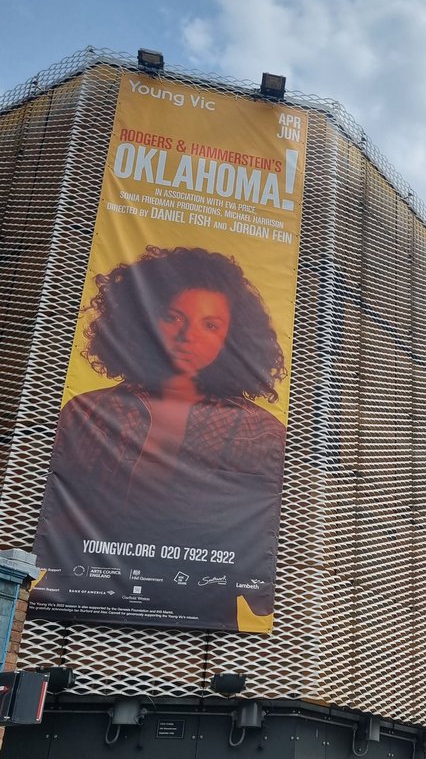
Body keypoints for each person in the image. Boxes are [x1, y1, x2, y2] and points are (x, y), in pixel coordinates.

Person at [32, 245, 287, 629]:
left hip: (198, 623)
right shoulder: (88, 413)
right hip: (74, 608)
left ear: (234, 337)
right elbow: (45, 515)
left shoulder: (260, 431)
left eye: (211, 325)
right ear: (143, 320)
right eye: (173, 317)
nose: (189, 336)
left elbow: (265, 560)